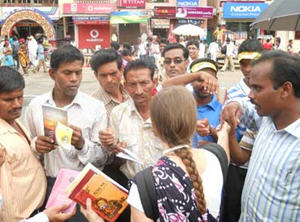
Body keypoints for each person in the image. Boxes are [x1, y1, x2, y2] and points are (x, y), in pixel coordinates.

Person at [81, 86, 231, 221]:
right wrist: (225, 129)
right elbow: (224, 144)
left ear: (155, 129)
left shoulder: (145, 184)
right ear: (194, 123)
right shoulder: (216, 158)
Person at [24, 44, 109, 221]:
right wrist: (36, 146)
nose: (74, 79)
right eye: (67, 73)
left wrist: (82, 145)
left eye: (78, 72)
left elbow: (103, 158)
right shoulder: (36, 106)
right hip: (47, 186)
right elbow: (28, 147)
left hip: (84, 188)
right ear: (52, 74)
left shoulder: (94, 108)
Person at [221, 50, 300, 221]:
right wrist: (234, 103)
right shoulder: (266, 118)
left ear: (285, 89)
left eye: (257, 88)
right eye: (250, 87)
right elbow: (243, 106)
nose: (250, 95)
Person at [99, 59, 164, 180]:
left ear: (154, 82)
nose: (138, 91)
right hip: (131, 184)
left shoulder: (168, 111)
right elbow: (116, 159)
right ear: (125, 85)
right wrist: (113, 148)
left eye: (144, 83)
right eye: (132, 85)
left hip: (166, 184)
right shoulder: (118, 114)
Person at [222, 38, 263, 222]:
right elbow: (239, 108)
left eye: (252, 63)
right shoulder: (233, 92)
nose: (247, 69)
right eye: (243, 63)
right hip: (240, 161)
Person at [0, 66, 47, 221]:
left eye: (20, 97)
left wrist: (35, 146)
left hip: (36, 211)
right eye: (8, 100)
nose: (17, 104)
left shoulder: (14, 121)